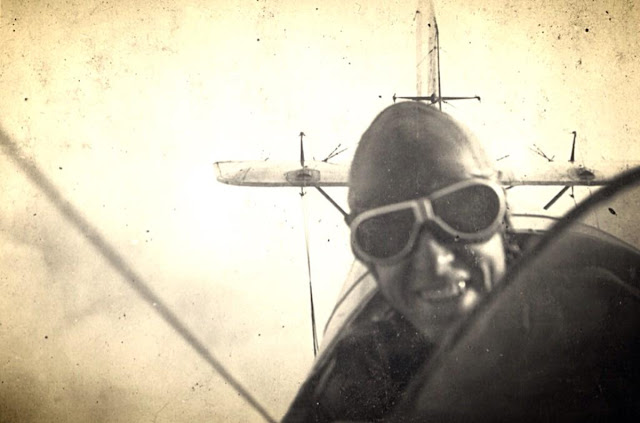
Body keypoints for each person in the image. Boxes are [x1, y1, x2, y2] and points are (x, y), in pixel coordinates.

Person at [283, 101, 515, 422]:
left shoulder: (583, 328)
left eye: (465, 211)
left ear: (503, 220)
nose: (435, 263)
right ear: (371, 263)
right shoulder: (359, 384)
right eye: (388, 234)